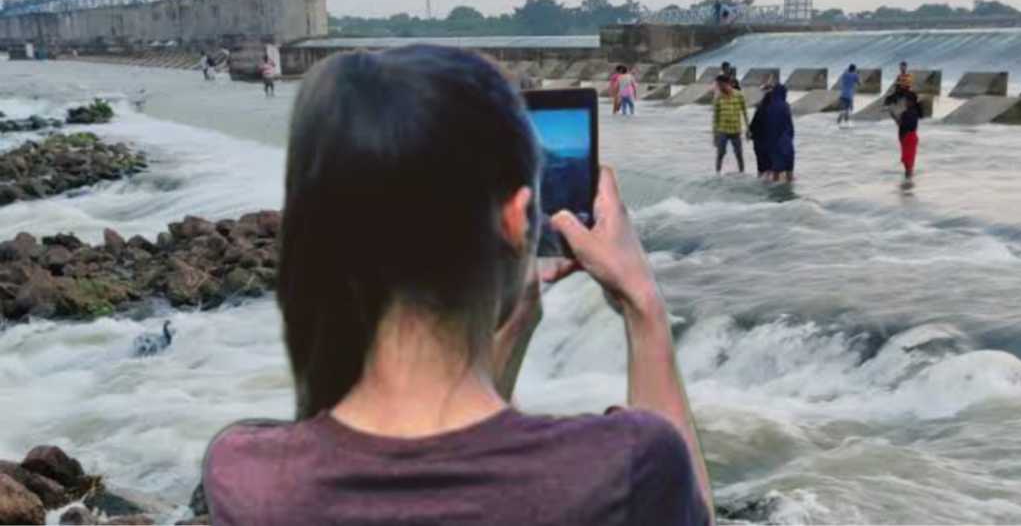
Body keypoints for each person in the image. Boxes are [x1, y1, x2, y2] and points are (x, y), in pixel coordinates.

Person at [202, 46, 712, 525]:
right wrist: (641, 302)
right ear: (516, 219)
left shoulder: (246, 476)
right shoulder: (624, 466)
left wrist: (508, 314)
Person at [758, 83, 794, 182]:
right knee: (789, 168)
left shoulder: (770, 106)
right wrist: (790, 138)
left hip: (774, 141)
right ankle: (789, 186)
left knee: (776, 169)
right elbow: (790, 125)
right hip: (787, 141)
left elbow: (768, 125)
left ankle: (775, 186)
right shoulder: (786, 106)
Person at [713, 74, 749, 174]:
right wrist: (714, 135)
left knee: (739, 154)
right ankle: (717, 174)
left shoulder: (739, 95)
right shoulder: (718, 97)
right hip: (722, 130)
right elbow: (715, 118)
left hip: (736, 130)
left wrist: (748, 129)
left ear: (726, 83)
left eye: (720, 85)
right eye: (718, 85)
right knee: (720, 153)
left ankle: (742, 173)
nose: (718, 87)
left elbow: (745, 112)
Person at [889, 89, 921, 179]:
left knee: (908, 162)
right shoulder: (909, 112)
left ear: (911, 101)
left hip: (909, 138)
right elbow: (901, 124)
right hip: (907, 138)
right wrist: (894, 117)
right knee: (907, 162)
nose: (905, 102)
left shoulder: (911, 112)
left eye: (906, 100)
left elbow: (904, 125)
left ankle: (908, 182)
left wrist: (895, 117)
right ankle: (908, 182)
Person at [747, 84, 774, 179]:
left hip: (758, 139)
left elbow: (753, 124)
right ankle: (769, 179)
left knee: (761, 163)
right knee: (770, 163)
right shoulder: (776, 108)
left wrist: (749, 133)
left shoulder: (760, 108)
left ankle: (761, 178)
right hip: (770, 140)